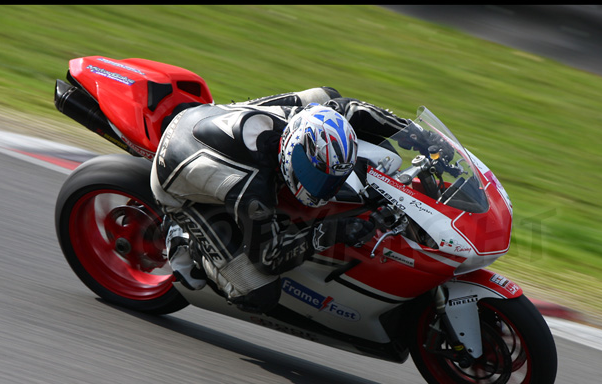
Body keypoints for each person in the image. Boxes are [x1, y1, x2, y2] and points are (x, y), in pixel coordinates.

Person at [150, 87, 431, 314]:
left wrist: (415, 135)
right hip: (176, 178)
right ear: (291, 152)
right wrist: (335, 231)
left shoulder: (299, 125)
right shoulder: (252, 189)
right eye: (314, 174)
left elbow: (351, 109)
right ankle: (182, 238)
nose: (324, 189)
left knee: (328, 97)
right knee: (258, 293)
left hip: (219, 121)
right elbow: (268, 258)